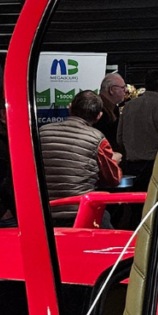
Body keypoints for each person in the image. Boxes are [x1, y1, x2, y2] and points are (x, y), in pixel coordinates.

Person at [39, 89, 122, 223]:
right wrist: (114, 161)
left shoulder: (41, 132)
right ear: (99, 116)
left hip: (43, 213)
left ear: (70, 108)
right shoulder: (98, 139)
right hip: (80, 213)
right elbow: (113, 179)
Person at [118, 69, 158, 194]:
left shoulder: (129, 106)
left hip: (131, 166)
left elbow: (119, 138)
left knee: (134, 206)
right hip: (155, 167)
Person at [95, 72, 127, 153]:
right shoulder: (97, 109)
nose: (126, 90)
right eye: (123, 87)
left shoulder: (113, 108)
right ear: (111, 90)